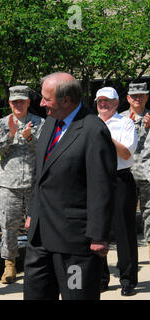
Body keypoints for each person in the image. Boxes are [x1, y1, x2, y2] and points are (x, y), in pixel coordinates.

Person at [23, 72, 117, 300]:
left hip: (75, 244)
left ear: (66, 100)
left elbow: (101, 186)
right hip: (40, 238)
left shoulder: (93, 130)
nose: (41, 103)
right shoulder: (49, 124)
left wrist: (98, 236)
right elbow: (40, 174)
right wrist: (32, 212)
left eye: (47, 98)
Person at [0, 85, 44, 284]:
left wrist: (30, 138)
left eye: (22, 101)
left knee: (37, 226)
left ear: (28, 102)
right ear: (10, 103)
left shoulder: (39, 122)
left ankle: (36, 264)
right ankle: (9, 265)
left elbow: (47, 150)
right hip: (8, 184)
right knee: (8, 225)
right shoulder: (2, 124)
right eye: (14, 102)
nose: (18, 105)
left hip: (33, 183)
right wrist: (10, 135)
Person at [96, 87, 138, 296]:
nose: (103, 104)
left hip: (120, 178)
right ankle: (101, 278)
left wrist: (106, 136)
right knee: (98, 231)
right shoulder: (89, 123)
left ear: (115, 103)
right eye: (100, 101)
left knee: (124, 231)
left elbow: (127, 152)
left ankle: (128, 279)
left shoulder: (125, 123)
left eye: (107, 101)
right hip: (96, 181)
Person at [119, 82, 150, 258]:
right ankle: (128, 258)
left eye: (142, 95)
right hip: (126, 175)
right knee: (125, 217)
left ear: (147, 97)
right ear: (128, 98)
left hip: (147, 175)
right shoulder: (120, 120)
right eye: (134, 96)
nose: (138, 99)